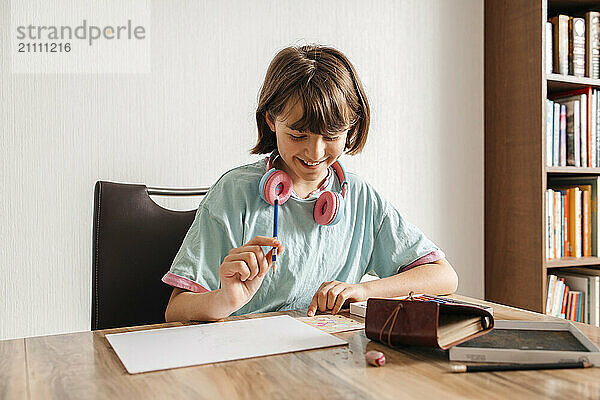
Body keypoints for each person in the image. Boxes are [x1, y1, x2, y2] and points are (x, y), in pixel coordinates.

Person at [163, 45, 458, 322]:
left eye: (331, 136)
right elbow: (175, 310)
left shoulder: (361, 198)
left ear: (350, 127)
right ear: (270, 120)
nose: (315, 153)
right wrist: (225, 300)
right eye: (298, 135)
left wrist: (363, 291)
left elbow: (444, 276)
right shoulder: (233, 193)